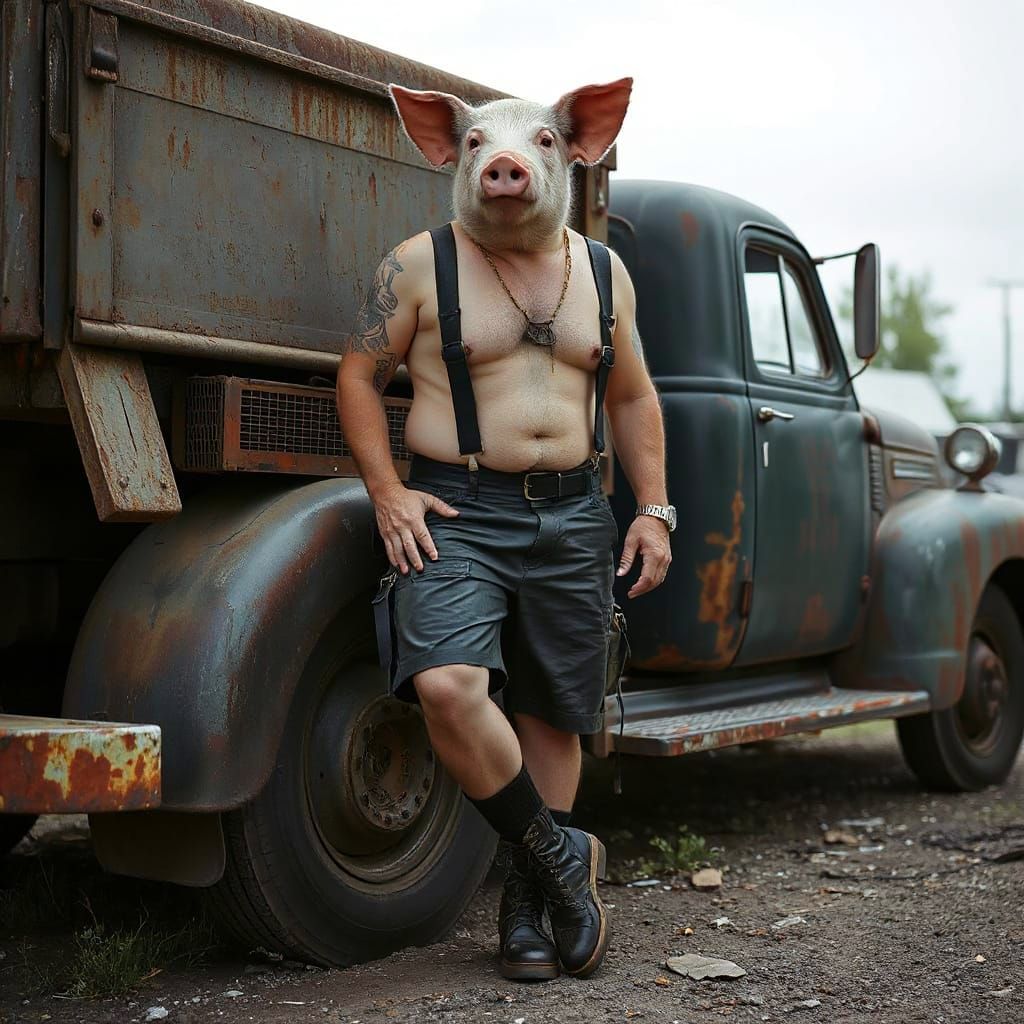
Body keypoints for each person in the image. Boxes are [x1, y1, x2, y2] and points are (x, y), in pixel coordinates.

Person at [336, 76, 673, 981]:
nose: (505, 160)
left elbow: (635, 395)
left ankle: (529, 908)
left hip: (576, 513)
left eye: (535, 146)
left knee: (554, 709)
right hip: (460, 508)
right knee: (449, 687)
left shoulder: (604, 273)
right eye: (481, 142)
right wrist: (387, 492)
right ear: (449, 148)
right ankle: (566, 865)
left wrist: (653, 511)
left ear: (581, 148)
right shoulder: (416, 265)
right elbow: (358, 378)